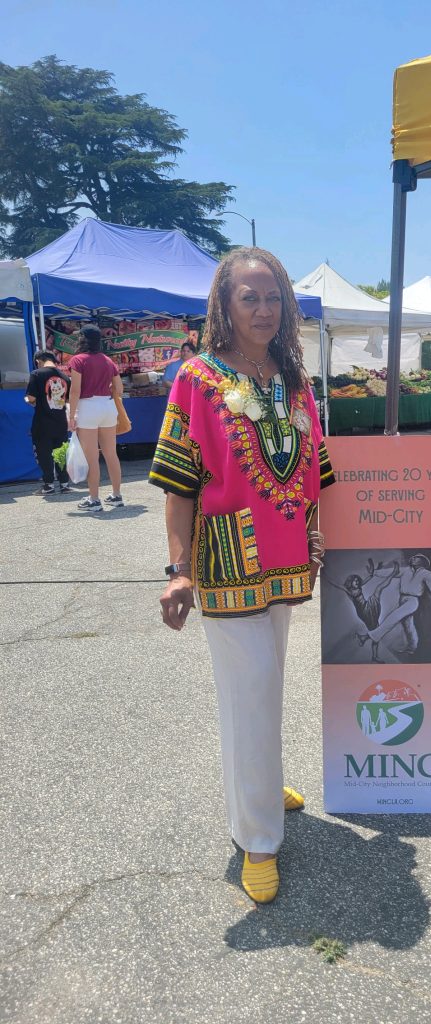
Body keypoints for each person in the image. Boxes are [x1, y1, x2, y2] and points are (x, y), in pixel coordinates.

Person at [150, 247, 335, 905]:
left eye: (273, 296)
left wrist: (318, 533)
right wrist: (178, 571)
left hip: (286, 560)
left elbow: (314, 466)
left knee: (262, 687)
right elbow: (178, 482)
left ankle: (258, 782)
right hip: (227, 561)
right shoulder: (197, 378)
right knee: (251, 689)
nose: (263, 309)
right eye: (249, 297)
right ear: (224, 304)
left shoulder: (294, 378)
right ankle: (257, 837)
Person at [67, 326, 124, 512]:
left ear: (82, 338)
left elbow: (75, 391)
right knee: (111, 453)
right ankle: (116, 495)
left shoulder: (78, 360)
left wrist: (71, 415)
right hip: (107, 406)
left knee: (92, 457)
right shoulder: (108, 360)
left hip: (87, 407)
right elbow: (119, 389)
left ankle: (94, 499)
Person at [25, 350, 71, 495]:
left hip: (42, 423)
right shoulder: (65, 377)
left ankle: (49, 485)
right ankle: (64, 484)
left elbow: (31, 398)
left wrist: (27, 400)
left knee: (44, 453)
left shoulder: (36, 374)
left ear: (38, 361)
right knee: (61, 453)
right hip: (61, 422)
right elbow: (67, 400)